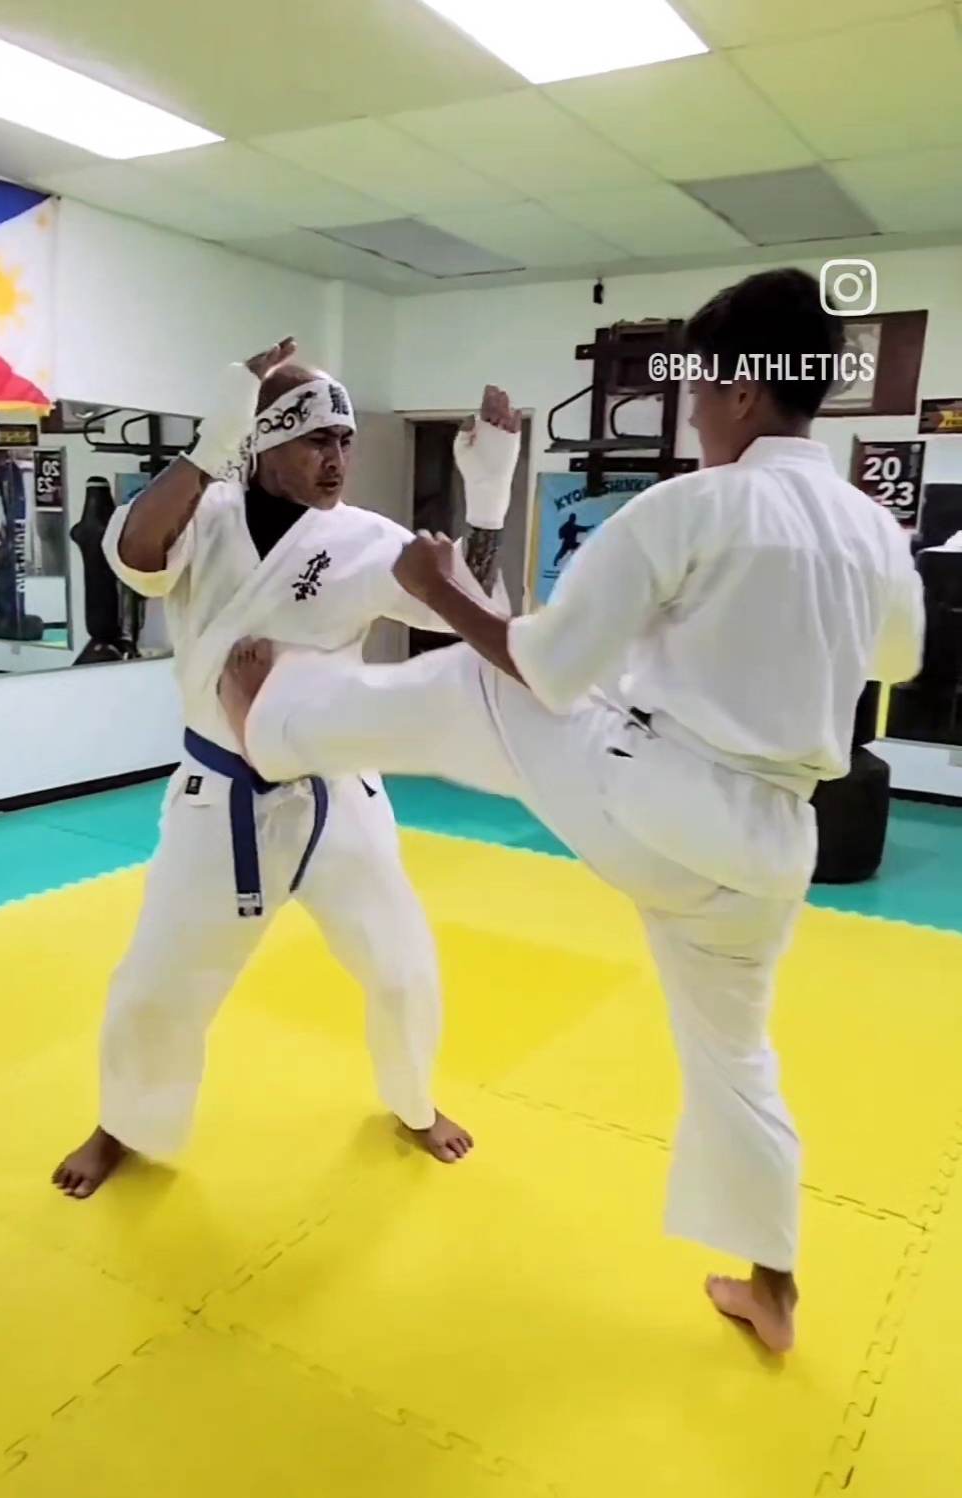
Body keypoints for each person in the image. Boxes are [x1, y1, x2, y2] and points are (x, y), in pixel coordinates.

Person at [220, 269, 925, 1352]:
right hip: (779, 846)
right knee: (738, 1059)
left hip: (660, 810)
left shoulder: (691, 507)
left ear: (742, 391)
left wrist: (443, 585)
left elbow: (540, 665)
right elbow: (897, 658)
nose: (694, 414)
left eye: (698, 392)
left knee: (476, 684)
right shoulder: (874, 531)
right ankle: (772, 1285)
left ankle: (268, 720)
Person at [53, 338, 523, 1198]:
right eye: (315, 441)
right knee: (157, 982)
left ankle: (413, 1102)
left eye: (344, 440)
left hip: (337, 791)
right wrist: (206, 445)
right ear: (262, 442)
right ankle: (124, 1122)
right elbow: (136, 553)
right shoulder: (210, 514)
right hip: (218, 795)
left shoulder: (365, 539)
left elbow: (464, 607)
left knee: (404, 964)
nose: (337, 458)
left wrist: (486, 498)